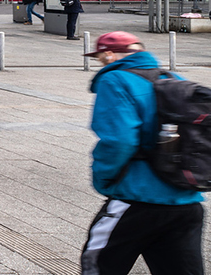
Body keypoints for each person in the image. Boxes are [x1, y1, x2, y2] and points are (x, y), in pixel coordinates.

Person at [80, 30, 204, 275]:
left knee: (97, 265)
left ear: (108, 54)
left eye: (99, 57)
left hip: (137, 199)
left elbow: (120, 140)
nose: (100, 62)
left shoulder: (114, 79)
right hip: (186, 202)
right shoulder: (172, 78)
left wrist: (104, 180)